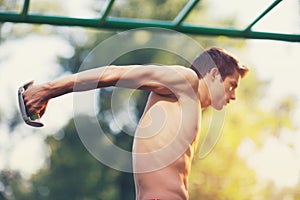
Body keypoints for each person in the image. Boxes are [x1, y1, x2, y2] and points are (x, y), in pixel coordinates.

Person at [23, 47, 248, 200]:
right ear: (212, 74)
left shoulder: (192, 106)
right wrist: (47, 90)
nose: (234, 95)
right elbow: (116, 74)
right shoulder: (185, 81)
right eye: (233, 85)